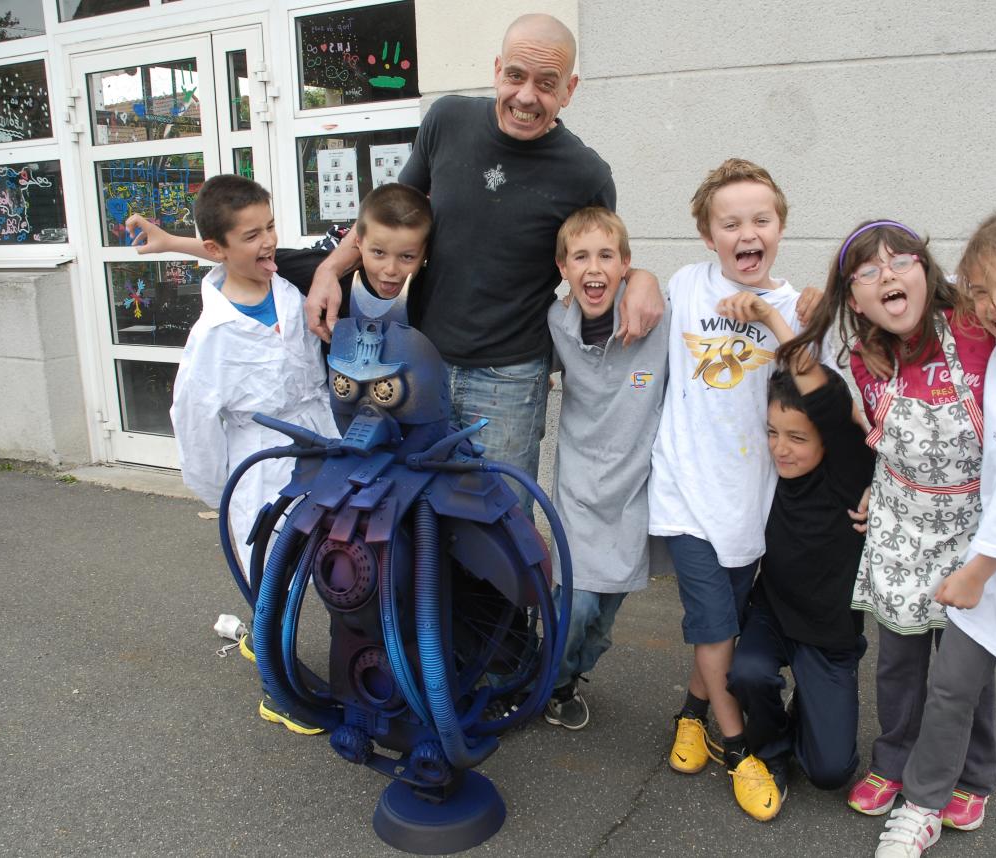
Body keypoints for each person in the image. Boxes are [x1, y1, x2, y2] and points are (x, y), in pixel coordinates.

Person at [783, 219, 996, 831]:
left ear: (927, 271)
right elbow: (872, 431)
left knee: (967, 666)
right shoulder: (862, 356)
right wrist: (878, 482)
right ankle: (894, 759)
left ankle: (975, 773)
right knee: (898, 659)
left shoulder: (972, 324)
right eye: (867, 272)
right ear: (853, 300)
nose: (887, 276)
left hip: (974, 520)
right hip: (901, 522)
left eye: (900, 262)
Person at [299, 13, 665, 512]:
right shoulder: (446, 120)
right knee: (415, 514)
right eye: (515, 75)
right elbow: (389, 218)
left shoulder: (586, 174)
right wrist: (329, 269)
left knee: (498, 522)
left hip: (509, 380)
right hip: (418, 359)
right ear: (497, 69)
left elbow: (601, 259)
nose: (526, 96)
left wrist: (641, 278)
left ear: (570, 89)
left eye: (547, 83)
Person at [648, 158, 810, 821]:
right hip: (684, 491)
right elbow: (635, 293)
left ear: (780, 228)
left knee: (720, 632)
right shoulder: (687, 284)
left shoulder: (794, 308)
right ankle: (738, 746)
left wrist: (773, 318)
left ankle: (690, 713)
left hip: (749, 502)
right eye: (731, 223)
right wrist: (634, 280)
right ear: (708, 235)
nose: (747, 233)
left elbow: (811, 388)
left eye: (760, 220)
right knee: (715, 624)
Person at [167, 174, 338, 734]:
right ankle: (277, 692)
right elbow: (194, 421)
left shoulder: (287, 290)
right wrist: (222, 491)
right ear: (216, 249)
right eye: (251, 235)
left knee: (331, 558)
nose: (267, 242)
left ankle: (283, 647)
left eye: (270, 227)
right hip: (262, 463)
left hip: (319, 443)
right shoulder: (212, 334)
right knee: (272, 574)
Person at [722, 306, 876, 816]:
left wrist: (773, 317)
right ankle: (773, 748)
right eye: (772, 433)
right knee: (748, 673)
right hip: (773, 613)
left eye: (797, 438)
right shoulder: (767, 475)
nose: (780, 449)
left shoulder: (848, 474)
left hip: (829, 633)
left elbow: (828, 400)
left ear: (827, 438)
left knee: (830, 771)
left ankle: (811, 702)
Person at [542, 207, 669, 731]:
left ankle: (572, 674)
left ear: (625, 264)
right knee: (575, 603)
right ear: (563, 268)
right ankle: (550, 680)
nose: (594, 268)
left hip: (632, 488)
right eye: (580, 257)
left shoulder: (658, 317)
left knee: (605, 613)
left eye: (606, 256)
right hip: (579, 484)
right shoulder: (555, 324)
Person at [124, 181, 431, 322]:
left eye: (407, 257)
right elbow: (239, 254)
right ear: (358, 243)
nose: (391, 270)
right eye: (378, 253)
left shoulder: (432, 288)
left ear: (424, 252)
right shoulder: (328, 277)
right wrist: (171, 242)